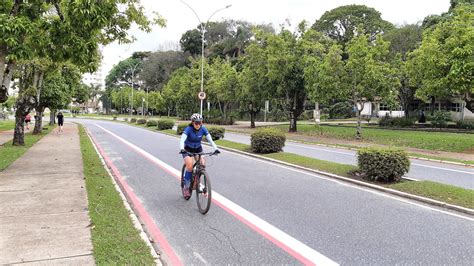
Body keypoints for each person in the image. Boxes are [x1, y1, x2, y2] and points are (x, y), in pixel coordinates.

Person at [179, 113, 220, 199]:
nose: (198, 125)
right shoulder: (188, 129)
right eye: (196, 123)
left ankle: (197, 182)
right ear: (192, 122)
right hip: (187, 149)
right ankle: (186, 187)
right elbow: (182, 139)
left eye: (199, 123)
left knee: (202, 164)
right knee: (190, 166)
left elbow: (210, 140)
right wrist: (182, 149)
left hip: (198, 149)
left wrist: (216, 148)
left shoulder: (203, 129)